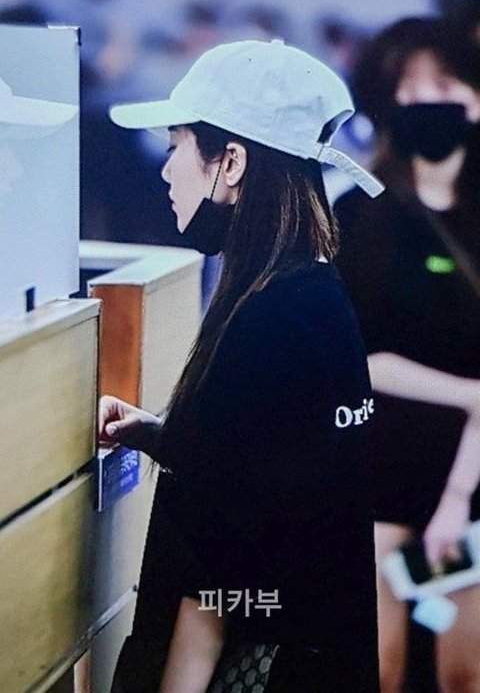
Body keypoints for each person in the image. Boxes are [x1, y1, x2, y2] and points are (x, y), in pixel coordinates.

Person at [100, 38, 383, 692]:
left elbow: (227, 580)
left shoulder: (270, 320)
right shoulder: (310, 295)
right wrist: (164, 435)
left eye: (176, 146)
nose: (166, 170)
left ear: (231, 162)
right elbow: (273, 475)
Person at [334, 18, 480, 693]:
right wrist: (469, 394)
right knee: (378, 668)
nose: (427, 102)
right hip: (382, 469)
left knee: (463, 673)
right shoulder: (361, 215)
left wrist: (457, 497)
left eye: (444, 86)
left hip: (472, 471)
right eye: (410, 87)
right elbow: (355, 355)